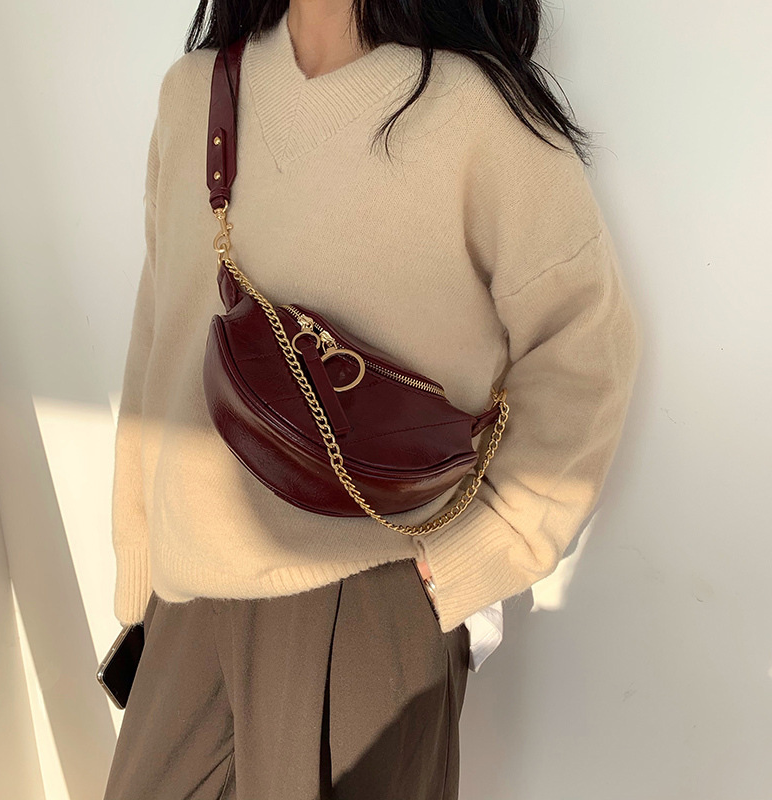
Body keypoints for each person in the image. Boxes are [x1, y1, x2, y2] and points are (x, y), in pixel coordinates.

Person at [102, 1, 642, 798]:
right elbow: (159, 339)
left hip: (363, 607)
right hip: (184, 605)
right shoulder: (195, 94)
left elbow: (584, 349)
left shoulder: (476, 113)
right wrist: (139, 571)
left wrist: (475, 556)